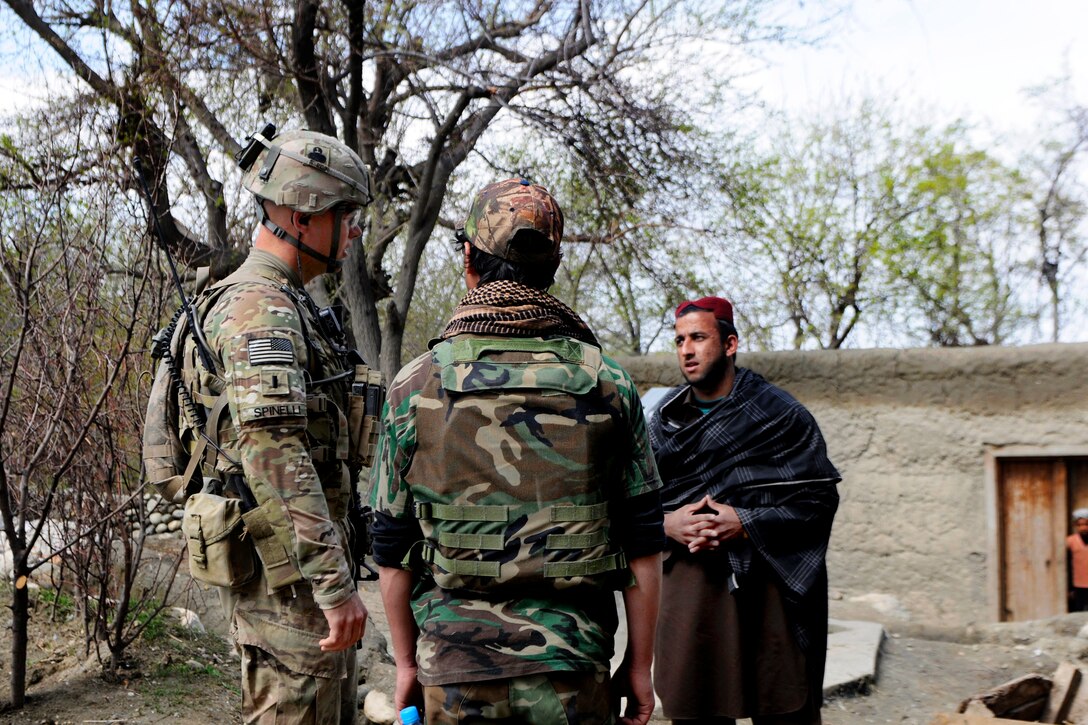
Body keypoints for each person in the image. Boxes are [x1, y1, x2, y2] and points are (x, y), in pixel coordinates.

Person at [368, 178, 665, 725]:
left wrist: (407, 663)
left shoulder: (415, 386)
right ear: (552, 267)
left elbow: (391, 544)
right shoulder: (608, 383)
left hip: (454, 670)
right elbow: (644, 541)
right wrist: (639, 667)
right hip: (574, 670)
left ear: (467, 258)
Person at [149, 127, 372, 723]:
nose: (353, 231)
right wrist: (334, 586)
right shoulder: (261, 308)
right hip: (292, 590)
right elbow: (273, 453)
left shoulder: (280, 300)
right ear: (302, 217)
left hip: (291, 582)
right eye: (345, 215)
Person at [648, 296, 840, 725]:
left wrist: (747, 522)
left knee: (782, 705)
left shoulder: (781, 415)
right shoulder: (660, 423)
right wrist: (668, 524)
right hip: (691, 592)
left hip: (766, 590)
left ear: (730, 344)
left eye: (698, 337)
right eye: (679, 340)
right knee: (696, 708)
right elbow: (630, 507)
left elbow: (819, 500)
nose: (687, 350)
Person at [1067, 508, 1088, 612]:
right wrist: (1070, 588)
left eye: (1086, 524)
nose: (1083, 528)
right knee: (1077, 612)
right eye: (1080, 525)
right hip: (1078, 586)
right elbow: (1067, 565)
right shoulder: (1070, 541)